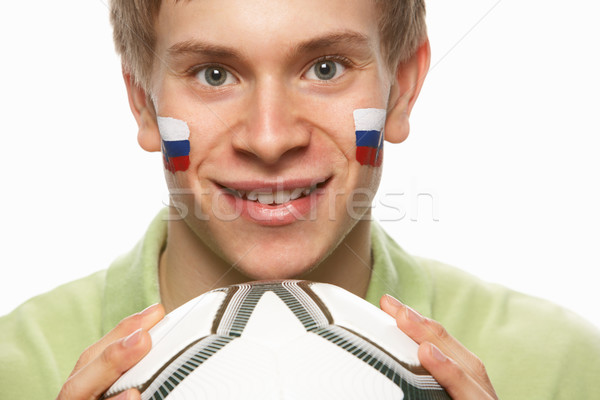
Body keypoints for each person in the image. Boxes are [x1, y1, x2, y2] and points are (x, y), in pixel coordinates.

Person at [1, 0, 599, 399]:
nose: (269, 137)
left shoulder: (564, 369)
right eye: (213, 74)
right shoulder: (15, 370)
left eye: (326, 67)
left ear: (402, 89)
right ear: (142, 103)